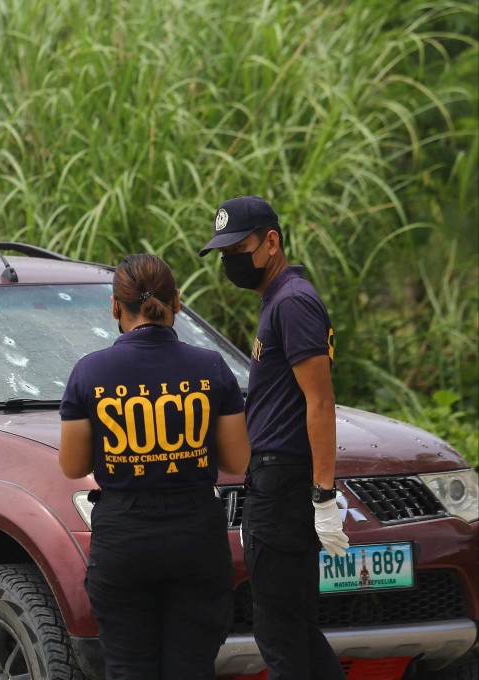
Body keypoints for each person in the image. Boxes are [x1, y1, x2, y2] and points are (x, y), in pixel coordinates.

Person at [59, 253, 251, 680]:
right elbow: (238, 460)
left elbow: (72, 466)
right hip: (197, 535)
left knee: (129, 669)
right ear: (177, 301)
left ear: (115, 307)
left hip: (123, 537)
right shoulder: (211, 368)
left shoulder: (89, 372)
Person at [198, 195, 349, 680]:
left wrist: (323, 496)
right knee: (295, 631)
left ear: (271, 242)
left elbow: (320, 402)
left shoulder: (293, 302)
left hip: (282, 485)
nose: (230, 261)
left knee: (280, 634)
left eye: (237, 249)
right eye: (223, 253)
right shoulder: (280, 301)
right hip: (275, 481)